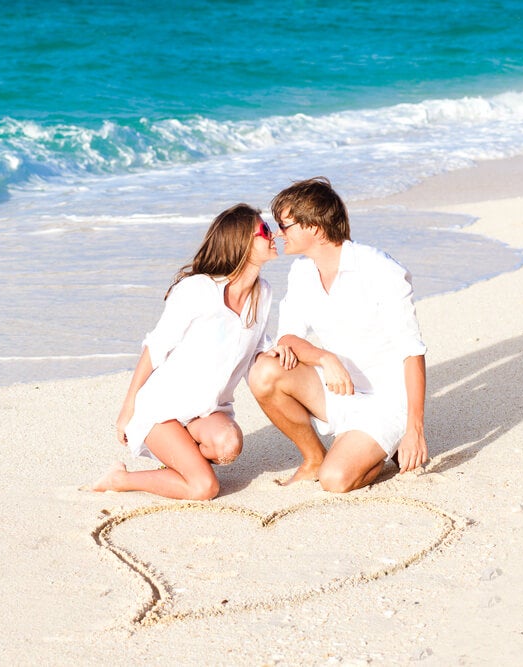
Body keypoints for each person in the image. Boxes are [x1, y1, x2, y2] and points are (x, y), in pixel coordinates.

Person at [91, 204, 296, 500]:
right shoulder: (198, 290)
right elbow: (155, 346)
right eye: (264, 230)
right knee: (205, 488)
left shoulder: (262, 293)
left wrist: (275, 352)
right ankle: (121, 479)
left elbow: (255, 348)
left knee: (228, 446)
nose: (273, 234)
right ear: (241, 242)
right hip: (162, 410)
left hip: (207, 411)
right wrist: (128, 409)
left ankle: (182, 458)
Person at [249, 177, 428, 492]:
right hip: (339, 391)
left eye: (284, 225)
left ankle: (387, 444)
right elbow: (287, 339)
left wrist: (414, 428)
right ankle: (314, 458)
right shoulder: (302, 273)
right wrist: (324, 358)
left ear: (315, 228)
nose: (277, 233)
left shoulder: (379, 269)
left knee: (335, 481)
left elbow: (411, 351)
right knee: (265, 371)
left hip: (386, 402)